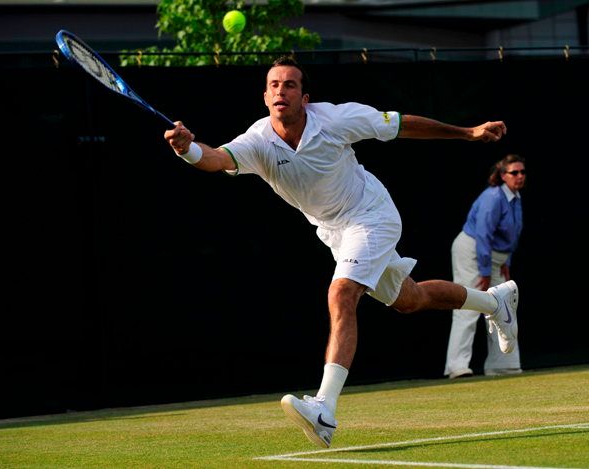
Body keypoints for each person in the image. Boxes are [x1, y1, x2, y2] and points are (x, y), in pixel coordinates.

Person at [164, 56, 517, 448]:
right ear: (265, 96)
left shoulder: (335, 119)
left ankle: (324, 408)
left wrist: (466, 132)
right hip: (334, 232)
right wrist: (187, 149)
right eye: (275, 85)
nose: (282, 90)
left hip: (371, 215)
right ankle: (495, 302)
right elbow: (215, 159)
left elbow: (400, 124)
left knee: (341, 293)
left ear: (305, 96)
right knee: (410, 299)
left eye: (291, 84)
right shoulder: (258, 140)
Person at [444, 154, 526, 379]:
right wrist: (485, 271)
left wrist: (504, 262)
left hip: (495, 259)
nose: (519, 176)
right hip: (473, 253)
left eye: (522, 172)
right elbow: (483, 234)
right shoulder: (493, 197)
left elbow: (511, 234)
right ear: (503, 175)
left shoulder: (515, 197)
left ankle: (504, 364)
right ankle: (456, 367)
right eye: (514, 173)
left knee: (504, 304)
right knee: (467, 305)